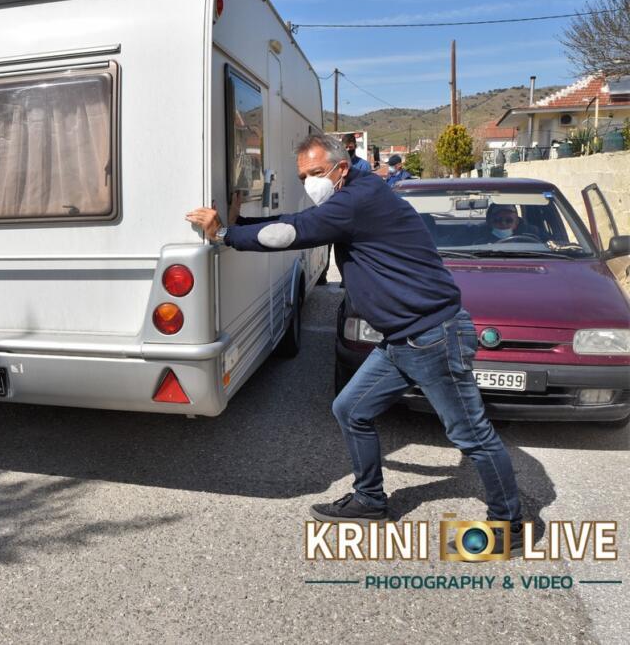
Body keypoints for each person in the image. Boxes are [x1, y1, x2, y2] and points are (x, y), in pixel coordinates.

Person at [185, 134, 523, 553]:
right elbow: (298, 220)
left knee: (471, 434)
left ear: (341, 168)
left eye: (315, 173)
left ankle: (508, 525)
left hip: (433, 335)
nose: (310, 183)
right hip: (403, 338)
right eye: (303, 176)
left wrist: (224, 235)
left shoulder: (359, 199)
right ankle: (370, 500)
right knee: (351, 409)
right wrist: (241, 224)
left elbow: (293, 232)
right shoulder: (355, 196)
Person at [471, 203, 542, 243]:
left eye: (509, 220)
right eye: (498, 220)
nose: (503, 224)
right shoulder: (478, 240)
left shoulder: (533, 235)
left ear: (517, 222)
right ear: (490, 223)